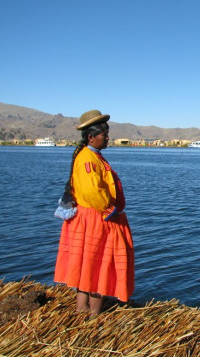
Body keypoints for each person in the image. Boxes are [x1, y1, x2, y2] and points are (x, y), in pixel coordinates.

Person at [54, 110, 135, 315]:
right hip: (96, 219)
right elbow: (92, 191)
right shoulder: (88, 159)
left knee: (87, 266)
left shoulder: (89, 155)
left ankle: (82, 309)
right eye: (104, 135)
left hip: (89, 217)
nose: (108, 138)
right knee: (100, 265)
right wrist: (110, 210)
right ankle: (94, 314)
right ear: (91, 137)